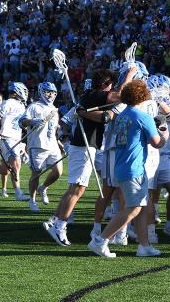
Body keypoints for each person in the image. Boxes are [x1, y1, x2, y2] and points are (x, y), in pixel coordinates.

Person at [45, 68, 131, 246]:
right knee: (77, 189)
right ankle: (60, 226)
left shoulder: (91, 96)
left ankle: (55, 220)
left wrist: (90, 114)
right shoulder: (96, 95)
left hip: (89, 146)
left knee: (76, 187)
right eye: (111, 84)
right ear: (106, 85)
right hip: (84, 146)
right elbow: (121, 95)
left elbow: (103, 115)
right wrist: (129, 74)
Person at [87, 80, 168, 258]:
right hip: (134, 166)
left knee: (140, 206)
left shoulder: (122, 115)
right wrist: (165, 135)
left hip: (122, 164)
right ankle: (100, 240)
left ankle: (144, 245)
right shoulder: (142, 116)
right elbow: (156, 143)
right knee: (134, 208)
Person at [19, 82, 62, 212]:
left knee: (58, 172)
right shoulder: (34, 107)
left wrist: (59, 143)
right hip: (37, 145)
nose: (51, 95)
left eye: (53, 92)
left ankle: (43, 188)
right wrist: (33, 121)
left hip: (52, 145)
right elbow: (22, 122)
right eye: (48, 92)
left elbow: (53, 130)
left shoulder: (54, 109)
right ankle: (32, 200)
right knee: (36, 173)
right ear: (41, 92)